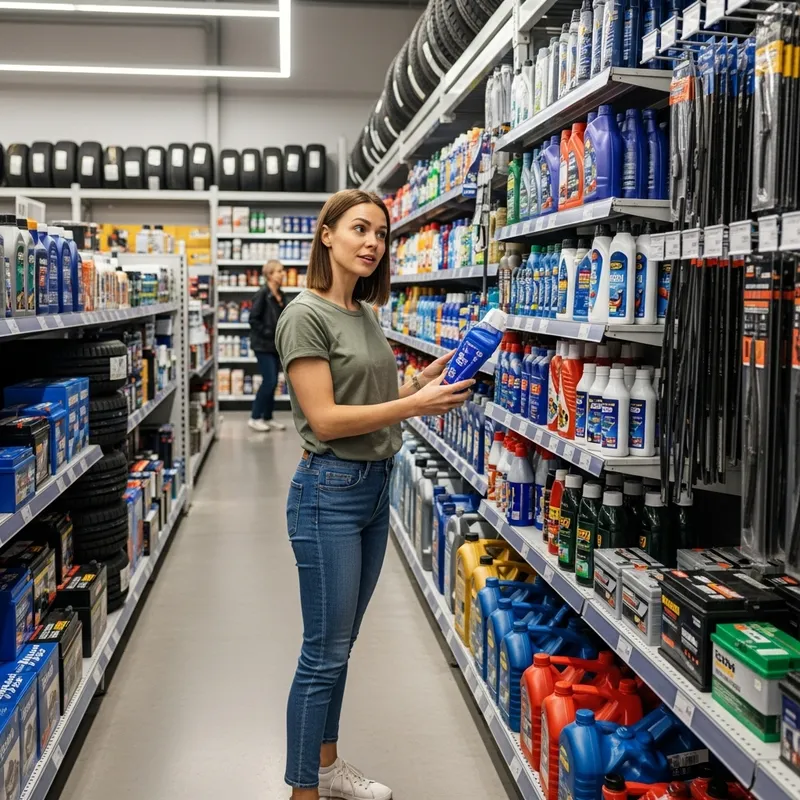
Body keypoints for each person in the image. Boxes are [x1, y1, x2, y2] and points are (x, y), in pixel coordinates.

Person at [275, 189, 473, 800]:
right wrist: (414, 405)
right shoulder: (303, 314)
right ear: (327, 235)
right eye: (360, 229)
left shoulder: (363, 313)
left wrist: (422, 379)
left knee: (342, 645)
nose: (372, 243)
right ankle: (302, 790)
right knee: (323, 652)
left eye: (381, 234)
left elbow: (365, 398)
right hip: (328, 491)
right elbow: (328, 419)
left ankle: (328, 769)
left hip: (373, 488)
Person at [248, 259, 287, 432]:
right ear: (270, 275)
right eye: (279, 271)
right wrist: (268, 333)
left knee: (273, 382)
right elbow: (253, 319)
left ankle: (268, 417)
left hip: (275, 346)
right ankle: (255, 417)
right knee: (269, 381)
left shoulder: (280, 294)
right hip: (263, 345)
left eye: (283, 270)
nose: (282, 274)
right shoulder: (263, 294)